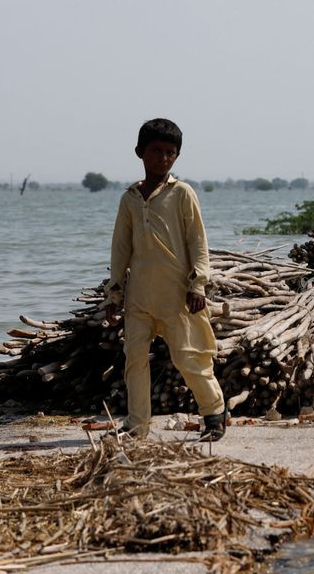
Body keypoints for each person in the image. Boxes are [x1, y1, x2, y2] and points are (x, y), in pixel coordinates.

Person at [106, 118, 226, 442]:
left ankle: (214, 415)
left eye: (170, 152)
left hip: (177, 295)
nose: (163, 158)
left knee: (189, 356)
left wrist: (198, 284)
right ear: (139, 152)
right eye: (156, 151)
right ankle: (137, 426)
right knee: (134, 361)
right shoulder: (130, 199)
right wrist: (113, 294)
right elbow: (120, 249)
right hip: (140, 297)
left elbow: (198, 243)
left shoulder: (182, 194)